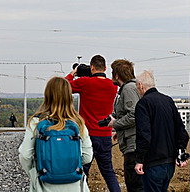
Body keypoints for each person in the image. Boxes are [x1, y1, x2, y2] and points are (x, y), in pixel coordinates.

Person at [18, 77, 93, 192]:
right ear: (69, 97)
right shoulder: (78, 123)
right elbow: (87, 157)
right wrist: (69, 166)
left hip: (44, 186)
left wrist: (37, 171)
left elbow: (25, 155)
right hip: (76, 186)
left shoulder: (36, 123)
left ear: (47, 96)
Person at [65, 55, 120, 192]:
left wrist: (73, 73)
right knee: (108, 172)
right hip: (105, 135)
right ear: (106, 68)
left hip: (87, 135)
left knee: (83, 172)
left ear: (92, 67)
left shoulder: (85, 82)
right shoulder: (113, 86)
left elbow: (63, 86)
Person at [134, 70, 189, 192]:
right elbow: (182, 132)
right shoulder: (168, 101)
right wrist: (180, 152)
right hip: (169, 164)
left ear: (141, 86)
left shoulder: (143, 104)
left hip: (152, 164)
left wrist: (139, 160)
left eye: (137, 88)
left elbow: (144, 135)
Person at [107, 59, 142, 192]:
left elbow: (133, 115)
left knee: (134, 184)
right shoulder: (133, 87)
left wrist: (115, 124)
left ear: (117, 75)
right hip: (133, 142)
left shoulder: (128, 89)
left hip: (133, 146)